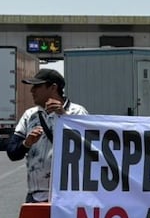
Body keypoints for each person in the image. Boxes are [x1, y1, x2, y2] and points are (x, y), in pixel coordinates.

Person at [6, 68, 88, 203]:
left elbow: (86, 148)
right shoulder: (30, 115)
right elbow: (12, 153)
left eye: (37, 86)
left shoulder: (77, 112)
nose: (32, 91)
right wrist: (27, 143)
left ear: (53, 87)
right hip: (35, 195)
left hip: (69, 195)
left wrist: (64, 117)